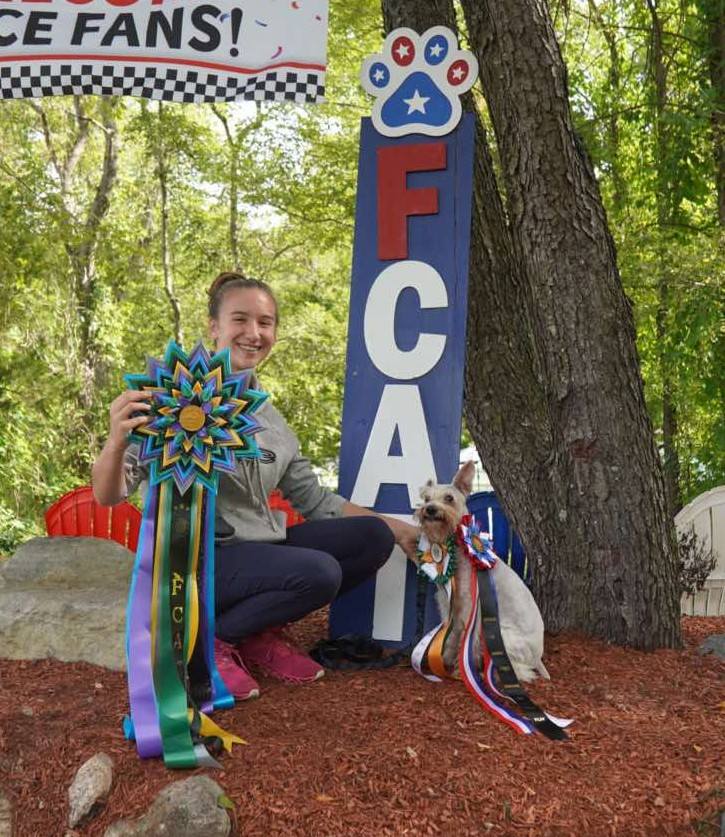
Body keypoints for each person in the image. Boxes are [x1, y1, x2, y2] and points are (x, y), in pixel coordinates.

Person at [92, 271, 419, 700]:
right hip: (199, 565)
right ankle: (214, 640)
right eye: (240, 320)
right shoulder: (171, 398)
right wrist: (117, 439)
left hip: (263, 552)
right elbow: (108, 494)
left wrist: (400, 529)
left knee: (372, 537)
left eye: (265, 323)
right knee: (320, 573)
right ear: (214, 328)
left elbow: (317, 501)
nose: (254, 333)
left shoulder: (272, 421)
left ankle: (256, 635)